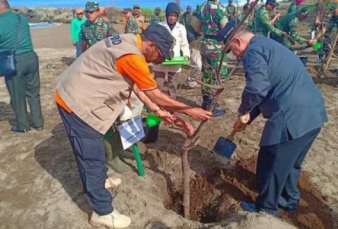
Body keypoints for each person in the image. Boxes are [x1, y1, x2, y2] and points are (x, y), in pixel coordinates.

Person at [55, 23, 212, 228]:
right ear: (151, 45)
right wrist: (190, 110)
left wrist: (156, 111)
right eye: (160, 56)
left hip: (80, 91)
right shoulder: (132, 56)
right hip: (75, 103)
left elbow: (137, 85)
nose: (159, 61)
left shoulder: (130, 41)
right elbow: (156, 94)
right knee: (90, 155)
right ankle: (102, 212)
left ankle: (99, 180)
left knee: (95, 152)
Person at [219, 20, 328, 216]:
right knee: (291, 162)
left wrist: (242, 111)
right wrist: (249, 117)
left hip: (292, 115)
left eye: (231, 49)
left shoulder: (252, 52)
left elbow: (257, 88)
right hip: (313, 114)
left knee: (271, 159)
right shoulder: (267, 44)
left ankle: (266, 208)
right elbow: (269, 88)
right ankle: (289, 200)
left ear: (237, 40)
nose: (234, 55)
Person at [0, 0, 44, 133]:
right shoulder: (21, 18)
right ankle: (38, 123)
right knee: (33, 93)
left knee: (17, 96)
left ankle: (23, 126)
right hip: (31, 57)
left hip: (15, 61)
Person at [193, 0, 229, 117]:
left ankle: (206, 102)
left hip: (204, 44)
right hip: (216, 45)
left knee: (207, 73)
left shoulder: (201, 6)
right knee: (219, 75)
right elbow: (224, 28)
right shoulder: (221, 8)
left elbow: (197, 28)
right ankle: (211, 106)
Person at [153, 2, 190, 99]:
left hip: (175, 59)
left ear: (177, 16)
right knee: (158, 84)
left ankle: (171, 105)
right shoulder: (159, 26)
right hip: (161, 59)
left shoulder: (181, 28)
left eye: (174, 15)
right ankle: (156, 104)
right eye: (170, 15)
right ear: (166, 15)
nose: (172, 18)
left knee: (173, 86)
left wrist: (186, 54)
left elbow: (184, 43)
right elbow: (154, 43)